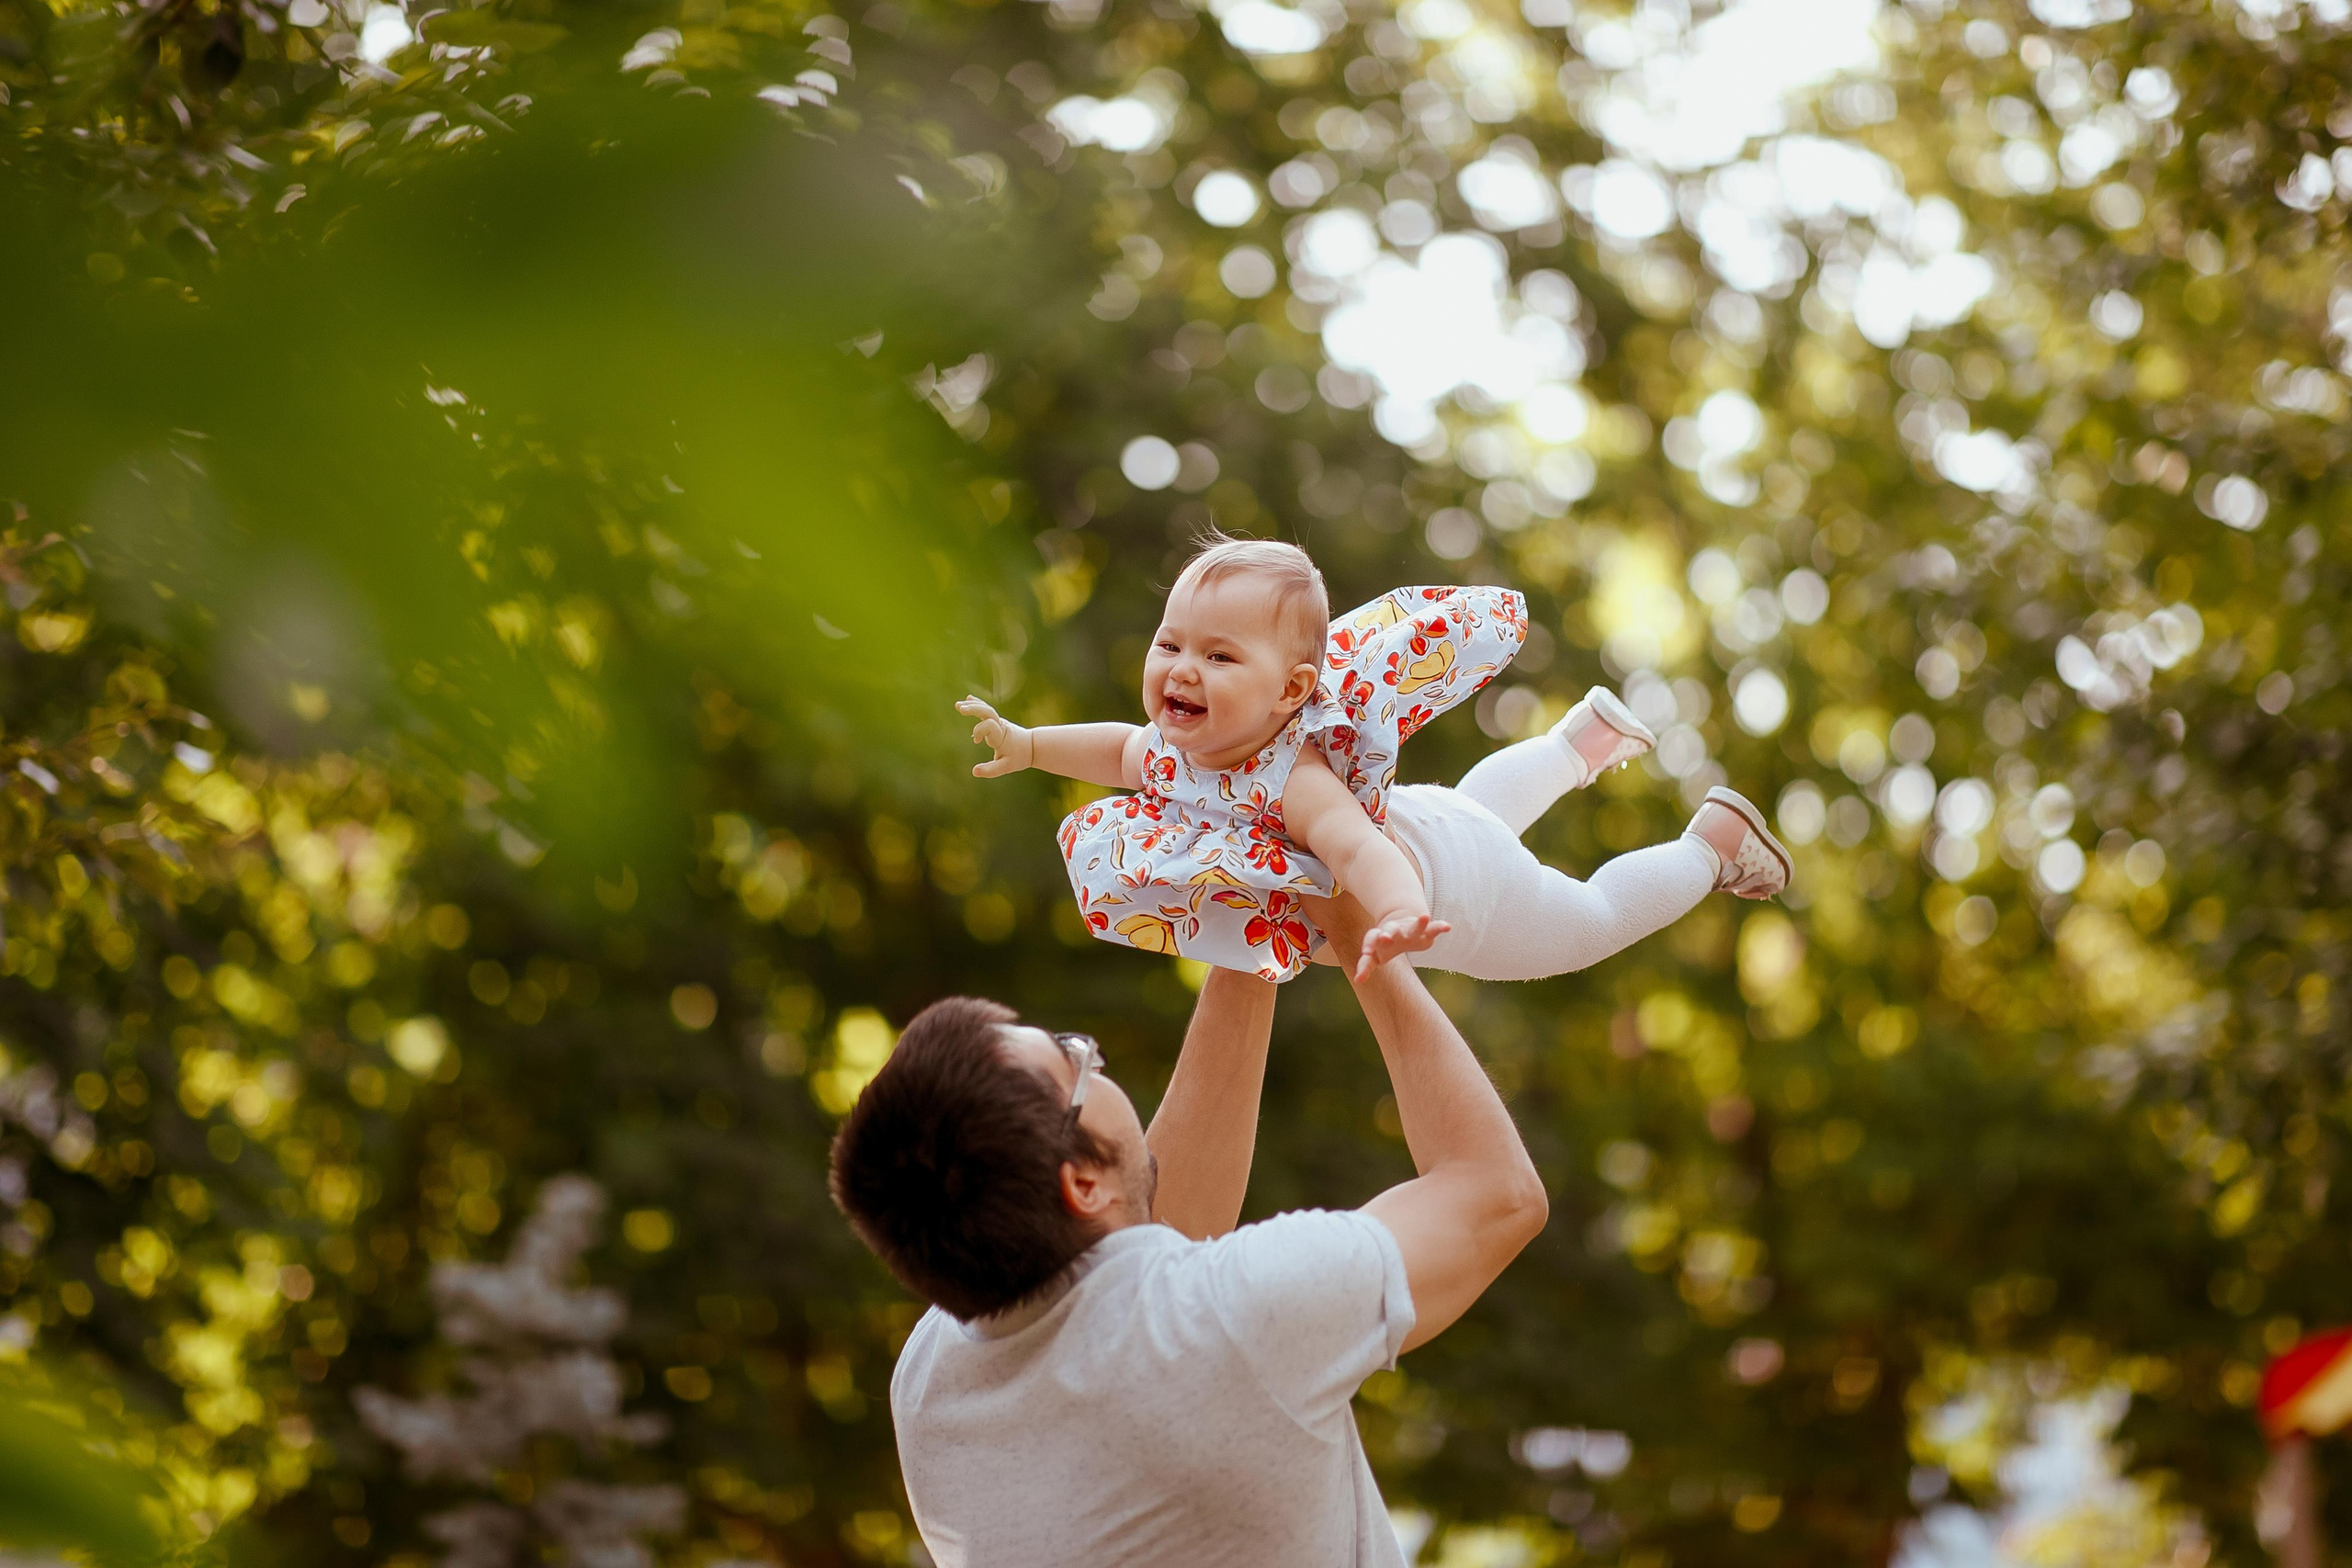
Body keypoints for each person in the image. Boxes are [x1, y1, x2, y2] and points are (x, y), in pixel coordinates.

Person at [828, 894, 1549, 1567]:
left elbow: (1148, 1240)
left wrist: (1256, 923)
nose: (1095, 1058)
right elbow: (1496, 1193)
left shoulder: (932, 1387)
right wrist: (1359, 929)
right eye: (1076, 1062)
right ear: (1080, 1183)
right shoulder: (1239, 1322)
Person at [955, 533, 1789, 987]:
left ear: (1292, 692)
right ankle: (1576, 745)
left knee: (1588, 924)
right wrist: (1028, 745)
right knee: (1478, 809)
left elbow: (1359, 851)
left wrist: (1396, 913)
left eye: (1219, 657)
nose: (1181, 668)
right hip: (1445, 823)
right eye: (1171, 642)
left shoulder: (1296, 783)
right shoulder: (1180, 752)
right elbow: (1111, 746)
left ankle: (1708, 846)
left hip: (1456, 886)